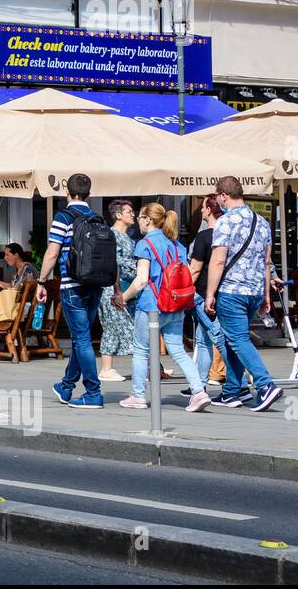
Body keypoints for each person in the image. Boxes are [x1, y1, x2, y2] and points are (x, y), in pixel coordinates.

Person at [114, 203, 209, 412]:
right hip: (176, 305)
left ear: (148, 220)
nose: (138, 221)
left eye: (140, 217)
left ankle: (138, 396)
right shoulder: (177, 245)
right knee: (178, 351)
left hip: (152, 305)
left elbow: (141, 281)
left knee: (141, 351)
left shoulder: (145, 244)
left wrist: (123, 297)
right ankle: (199, 392)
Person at [204, 177, 283, 412]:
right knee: (232, 340)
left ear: (223, 196)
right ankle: (232, 391)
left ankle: (265, 384)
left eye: (218, 196)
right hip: (254, 291)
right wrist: (266, 295)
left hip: (231, 290)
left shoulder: (225, 222)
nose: (218, 200)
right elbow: (266, 262)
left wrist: (210, 293)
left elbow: (218, 261)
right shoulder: (262, 222)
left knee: (238, 340)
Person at [37, 173, 104, 408]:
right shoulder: (98, 218)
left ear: (67, 193)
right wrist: (115, 288)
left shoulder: (63, 217)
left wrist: (41, 282)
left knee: (82, 339)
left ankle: (94, 393)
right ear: (90, 194)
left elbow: (52, 252)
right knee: (80, 338)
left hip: (72, 286)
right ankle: (66, 386)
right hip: (96, 286)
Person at [185, 194, 231, 394]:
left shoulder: (205, 236)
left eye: (203, 207)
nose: (201, 211)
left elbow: (195, 269)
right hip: (223, 291)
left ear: (210, 210)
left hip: (204, 293)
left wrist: (183, 288)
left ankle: (241, 382)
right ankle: (199, 386)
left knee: (217, 336)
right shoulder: (229, 234)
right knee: (203, 340)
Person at [96, 200, 136, 383]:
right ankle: (106, 368)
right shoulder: (112, 235)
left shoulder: (127, 238)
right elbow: (114, 262)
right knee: (112, 326)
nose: (133, 214)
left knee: (133, 325)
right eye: (129, 211)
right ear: (118, 215)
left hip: (126, 286)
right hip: (112, 287)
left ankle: (151, 365)